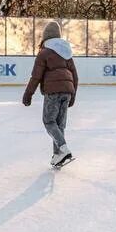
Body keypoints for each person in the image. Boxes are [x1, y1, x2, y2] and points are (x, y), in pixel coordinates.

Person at [22, 21, 78, 167]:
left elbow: (36, 76)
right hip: (67, 91)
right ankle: (58, 155)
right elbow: (75, 75)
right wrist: (73, 95)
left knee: (49, 122)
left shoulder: (44, 52)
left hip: (53, 92)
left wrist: (28, 94)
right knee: (59, 125)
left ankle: (63, 148)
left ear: (45, 37)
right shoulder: (67, 53)